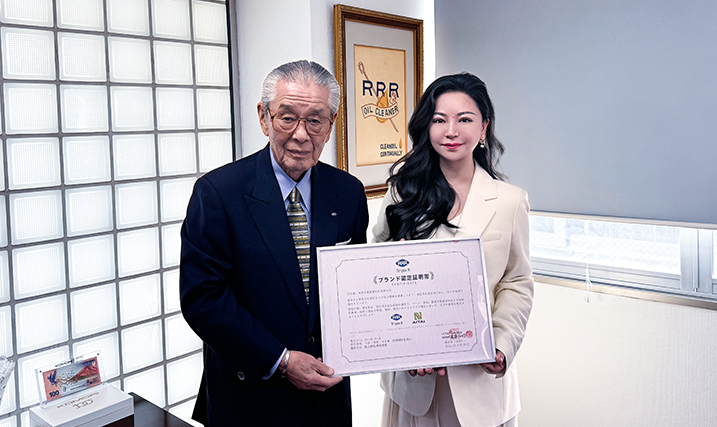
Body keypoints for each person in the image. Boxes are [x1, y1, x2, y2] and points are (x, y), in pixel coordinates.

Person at [180, 60, 369, 426]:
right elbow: (203, 299)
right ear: (263, 117)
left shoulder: (348, 192)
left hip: (327, 396)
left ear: (330, 126)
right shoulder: (218, 193)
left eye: (315, 120)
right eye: (287, 118)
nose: (301, 134)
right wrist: (281, 360)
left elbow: (354, 288)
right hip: (251, 396)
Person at [372, 73, 534, 427]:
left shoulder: (510, 201)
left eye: (464, 119)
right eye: (439, 120)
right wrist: (402, 341)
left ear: (484, 128)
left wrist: (502, 344)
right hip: (414, 381)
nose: (451, 131)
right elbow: (376, 266)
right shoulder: (403, 192)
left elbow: (517, 283)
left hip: (479, 378)